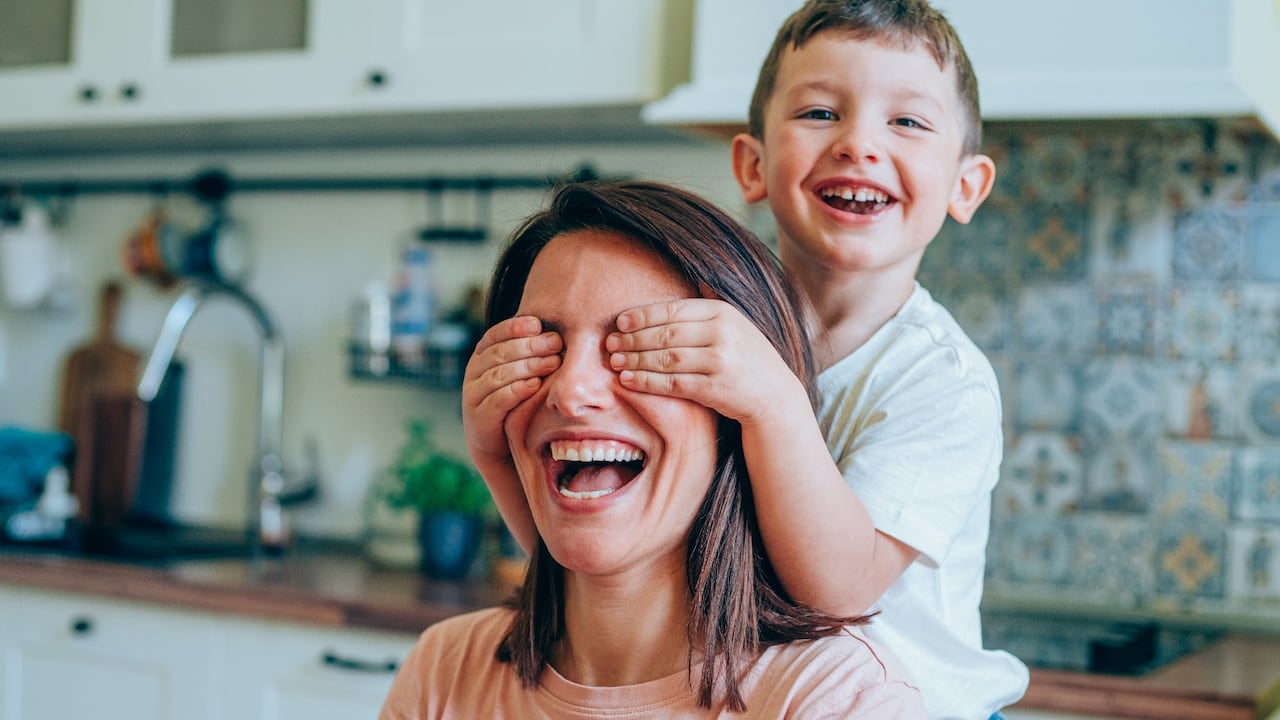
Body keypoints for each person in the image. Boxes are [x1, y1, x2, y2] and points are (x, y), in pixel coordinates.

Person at [464, 2, 1028, 718]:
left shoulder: (944, 381)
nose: (859, 144)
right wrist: (494, 452)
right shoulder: (713, 326)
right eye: (821, 113)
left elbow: (841, 591)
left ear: (966, 186)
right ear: (752, 165)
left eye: (907, 122)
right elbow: (591, 541)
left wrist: (773, 402)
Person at [384, 181, 926, 718]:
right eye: (542, 348)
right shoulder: (442, 671)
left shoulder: (839, 700)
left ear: (742, 415)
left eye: (646, 350)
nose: (571, 392)